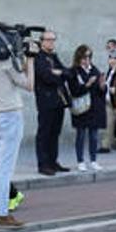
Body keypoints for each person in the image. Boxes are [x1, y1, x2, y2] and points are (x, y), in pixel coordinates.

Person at [0, 24, 36, 227]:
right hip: (10, 115)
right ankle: (2, 213)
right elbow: (29, 85)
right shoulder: (6, 64)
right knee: (5, 168)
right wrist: (30, 59)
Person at [33, 29, 70, 175]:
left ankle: (53, 162)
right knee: (44, 133)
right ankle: (43, 164)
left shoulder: (53, 57)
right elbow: (46, 77)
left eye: (53, 40)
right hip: (46, 100)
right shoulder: (38, 57)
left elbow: (67, 72)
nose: (51, 42)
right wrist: (57, 73)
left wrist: (58, 72)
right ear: (42, 41)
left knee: (55, 132)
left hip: (59, 100)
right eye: (48, 40)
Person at [66, 45, 106, 171]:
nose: (87, 59)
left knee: (94, 136)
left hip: (95, 108)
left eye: (89, 56)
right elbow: (74, 91)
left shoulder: (94, 69)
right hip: (82, 108)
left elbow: (101, 92)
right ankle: (80, 161)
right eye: (84, 57)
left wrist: (102, 86)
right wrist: (87, 84)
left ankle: (93, 160)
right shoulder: (73, 71)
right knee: (81, 135)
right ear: (79, 57)